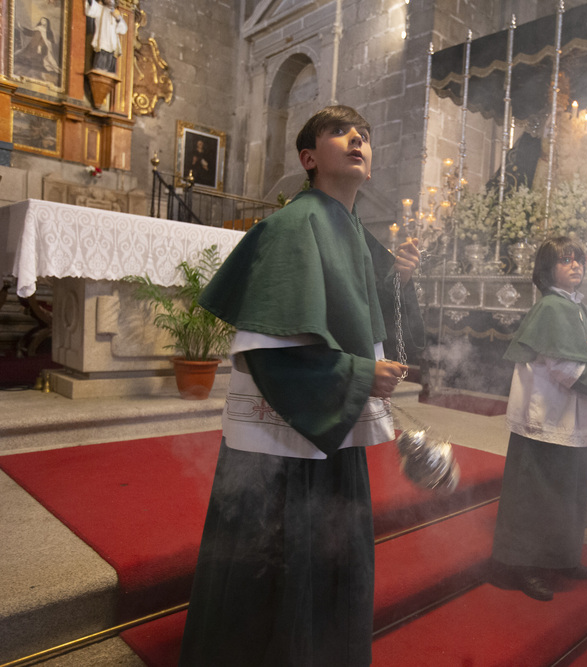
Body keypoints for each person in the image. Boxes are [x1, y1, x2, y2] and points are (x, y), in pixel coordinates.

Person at [178, 105, 423, 666]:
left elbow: (368, 315)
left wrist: (398, 281)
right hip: (286, 445)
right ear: (309, 158)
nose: (358, 138)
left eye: (364, 134)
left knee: (326, 558)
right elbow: (272, 355)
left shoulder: (354, 232)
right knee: (280, 560)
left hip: (328, 424)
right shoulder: (293, 224)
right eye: (341, 131)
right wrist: (363, 375)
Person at [489, 236, 587, 602]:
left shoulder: (579, 308)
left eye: (580, 260)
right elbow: (566, 370)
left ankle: (561, 556)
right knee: (538, 494)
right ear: (547, 269)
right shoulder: (552, 308)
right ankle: (524, 566)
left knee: (570, 490)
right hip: (547, 413)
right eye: (566, 260)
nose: (576, 265)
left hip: (573, 415)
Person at [84, 0, 127, 73]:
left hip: (113, 48)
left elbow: (123, 29)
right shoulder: (100, 9)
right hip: (102, 45)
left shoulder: (116, 13)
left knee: (110, 73)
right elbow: (91, 8)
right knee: (99, 71)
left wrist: (117, 18)